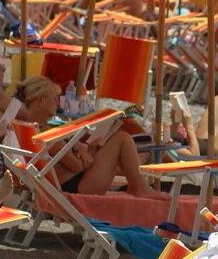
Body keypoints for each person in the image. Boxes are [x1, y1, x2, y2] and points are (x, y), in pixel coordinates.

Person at [14, 76, 166, 199]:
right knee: (122, 138)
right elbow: (77, 166)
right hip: (77, 187)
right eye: (54, 98)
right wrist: (87, 155)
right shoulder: (44, 134)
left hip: (69, 183)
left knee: (117, 142)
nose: (58, 102)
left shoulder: (30, 128)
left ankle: (137, 184)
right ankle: (139, 187)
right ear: (41, 100)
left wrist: (81, 149)